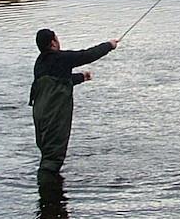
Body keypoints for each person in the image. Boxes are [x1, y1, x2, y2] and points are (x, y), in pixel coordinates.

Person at [30, 29, 118, 179]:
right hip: (54, 113)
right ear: (53, 43)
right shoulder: (61, 58)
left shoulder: (40, 63)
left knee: (47, 150)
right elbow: (88, 55)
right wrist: (109, 45)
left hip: (40, 113)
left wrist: (81, 77)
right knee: (53, 156)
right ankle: (48, 192)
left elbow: (59, 79)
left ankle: (48, 189)